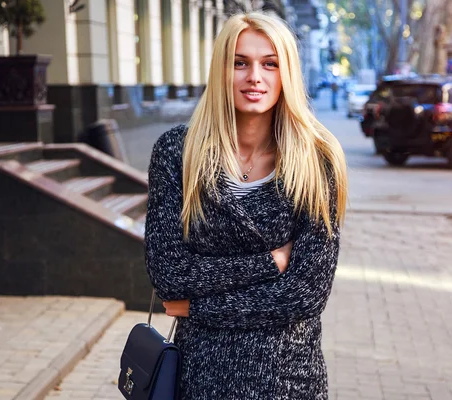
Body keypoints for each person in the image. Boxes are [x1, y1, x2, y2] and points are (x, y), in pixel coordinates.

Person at [144, 11, 348, 400]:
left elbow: (306, 292)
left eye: (269, 64)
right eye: (240, 63)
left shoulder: (316, 160)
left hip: (286, 378)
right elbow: (169, 274)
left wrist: (197, 308)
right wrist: (270, 263)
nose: (255, 76)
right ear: (222, 70)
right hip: (199, 375)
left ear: (285, 72)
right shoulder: (177, 152)